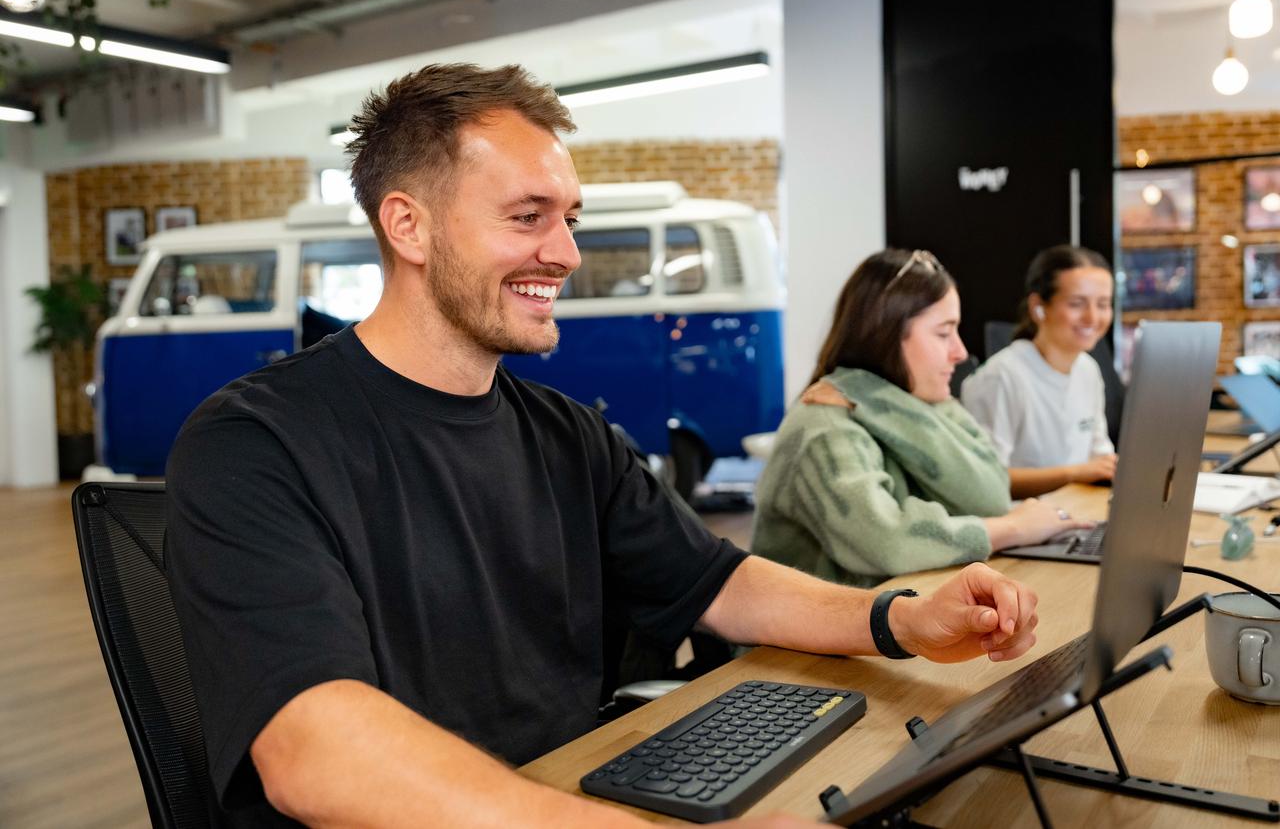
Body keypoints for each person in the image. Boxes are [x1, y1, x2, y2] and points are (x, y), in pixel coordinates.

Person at [166, 64, 1043, 829]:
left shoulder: (564, 432)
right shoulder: (254, 443)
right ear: (409, 227)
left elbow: (719, 581)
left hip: (564, 795)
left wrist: (899, 618)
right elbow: (314, 752)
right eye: (527, 216)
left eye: (570, 217)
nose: (568, 251)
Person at [752, 250, 1092, 590]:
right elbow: (887, 543)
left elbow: (990, 494)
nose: (960, 351)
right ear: (885, 335)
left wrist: (875, 400)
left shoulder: (919, 403)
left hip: (887, 622)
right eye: (944, 334)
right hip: (804, 641)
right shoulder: (824, 424)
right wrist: (1014, 528)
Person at [961, 245, 1117, 498]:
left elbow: (1098, 456)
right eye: (1077, 304)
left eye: (1103, 304)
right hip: (1023, 524)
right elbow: (987, 479)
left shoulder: (1088, 370)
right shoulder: (1001, 376)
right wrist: (1074, 473)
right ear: (1038, 307)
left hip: (1076, 512)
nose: (1093, 317)